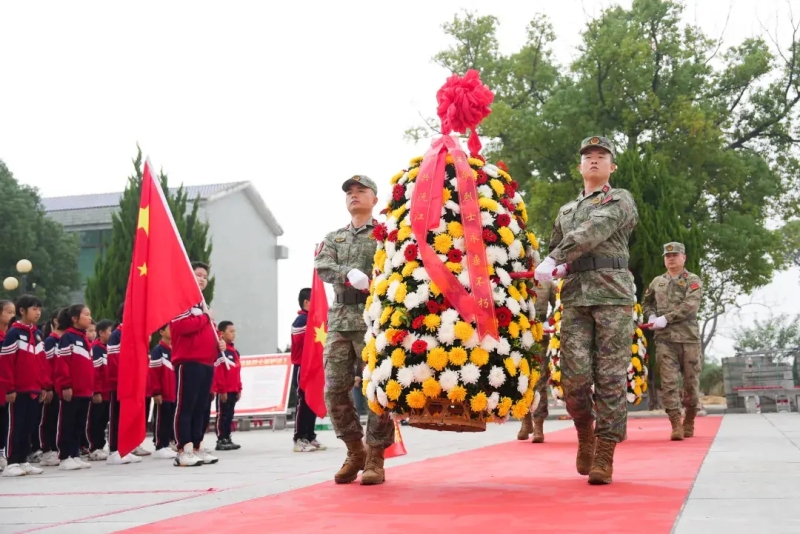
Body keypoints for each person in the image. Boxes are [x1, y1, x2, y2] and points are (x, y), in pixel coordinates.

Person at [535, 136, 639, 485]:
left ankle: (605, 451)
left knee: (610, 377)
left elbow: (595, 229)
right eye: (588, 156)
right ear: (579, 167)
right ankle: (584, 430)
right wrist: (557, 267)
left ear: (612, 166)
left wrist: (556, 258)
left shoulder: (619, 198)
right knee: (574, 377)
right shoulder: (566, 211)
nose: (594, 160)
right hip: (576, 298)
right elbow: (556, 248)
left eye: (601, 156)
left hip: (612, 296)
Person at [314, 174, 394, 485]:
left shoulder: (386, 235)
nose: (354, 195)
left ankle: (375, 455)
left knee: (377, 388)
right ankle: (354, 449)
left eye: (361, 190)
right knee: (334, 389)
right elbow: (322, 266)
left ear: (375, 199)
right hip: (340, 320)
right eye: (349, 191)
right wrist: (349, 273)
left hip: (374, 319)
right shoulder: (335, 237)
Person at [642, 242, 703, 440]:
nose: (671, 259)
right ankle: (676, 424)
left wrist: (666, 318)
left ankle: (689, 419)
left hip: (688, 340)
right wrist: (651, 316)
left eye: (675, 255)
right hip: (665, 340)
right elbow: (646, 302)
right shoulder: (657, 282)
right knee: (668, 384)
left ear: (683, 257)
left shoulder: (692, 280)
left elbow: (691, 306)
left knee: (691, 385)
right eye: (667, 256)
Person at [171, 260, 224, 467]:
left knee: (202, 407)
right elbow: (181, 327)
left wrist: (219, 343)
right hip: (189, 361)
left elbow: (209, 331)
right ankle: (183, 449)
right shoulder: (182, 300)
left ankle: (196, 447)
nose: (202, 279)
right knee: (187, 406)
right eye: (198, 275)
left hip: (206, 363)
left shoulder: (201, 304)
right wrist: (205, 317)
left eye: (205, 276)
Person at [0, 294, 46, 477]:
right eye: (34, 309)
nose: (38, 312)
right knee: (15, 427)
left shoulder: (38, 334)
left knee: (29, 426)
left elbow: (42, 362)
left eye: (39, 309)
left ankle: (23, 460)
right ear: (22, 311)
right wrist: (9, 388)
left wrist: (43, 386)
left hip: (34, 388)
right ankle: (11, 462)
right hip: (18, 390)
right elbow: (6, 363)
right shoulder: (14, 333)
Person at [518, 251, 556, 443]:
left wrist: (550, 321)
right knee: (521, 379)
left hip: (540, 335)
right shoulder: (518, 280)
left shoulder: (547, 282)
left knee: (539, 380)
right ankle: (525, 421)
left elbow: (558, 307)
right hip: (519, 335)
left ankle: (538, 423)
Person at [55, 304, 95, 471]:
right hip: (72, 390)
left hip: (85, 390)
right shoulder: (68, 337)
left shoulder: (84, 338)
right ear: (74, 318)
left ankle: (75, 454)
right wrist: (66, 385)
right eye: (86, 315)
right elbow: (62, 364)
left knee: (79, 424)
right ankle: (65, 456)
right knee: (68, 423)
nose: (90, 318)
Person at [105, 304, 142, 466]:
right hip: (120, 383)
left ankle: (125, 448)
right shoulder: (117, 334)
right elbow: (114, 361)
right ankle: (114, 450)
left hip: (132, 382)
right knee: (117, 417)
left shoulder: (133, 334)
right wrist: (121, 380)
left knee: (128, 416)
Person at [290, 288, 324, 452]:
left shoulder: (314, 320)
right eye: (315, 301)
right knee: (303, 403)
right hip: (302, 368)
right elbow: (302, 342)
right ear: (306, 302)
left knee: (312, 402)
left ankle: (310, 436)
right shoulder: (301, 320)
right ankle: (299, 438)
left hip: (314, 368)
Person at [148, 324, 178, 459]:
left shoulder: (175, 350)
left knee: (169, 419)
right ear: (161, 332)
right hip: (163, 393)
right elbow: (154, 373)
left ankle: (166, 444)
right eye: (170, 329)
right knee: (161, 419)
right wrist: (156, 392)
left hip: (173, 392)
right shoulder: (158, 350)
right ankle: (159, 446)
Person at [213, 321, 243, 451]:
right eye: (231, 331)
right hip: (224, 391)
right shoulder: (221, 352)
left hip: (233, 390)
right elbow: (219, 373)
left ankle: (227, 437)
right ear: (222, 334)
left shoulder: (235, 352)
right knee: (223, 415)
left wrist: (239, 388)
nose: (233, 334)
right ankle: (221, 439)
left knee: (230, 415)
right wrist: (222, 390)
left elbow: (237, 372)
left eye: (234, 331)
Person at [87, 319, 113, 461]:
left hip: (109, 392)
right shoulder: (96, 348)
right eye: (110, 331)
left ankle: (102, 446)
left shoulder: (110, 348)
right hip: (100, 393)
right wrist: (96, 391)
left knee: (104, 421)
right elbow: (95, 372)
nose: (112, 334)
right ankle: (94, 447)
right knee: (96, 421)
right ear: (101, 333)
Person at [0, 299, 15, 472]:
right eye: (8, 312)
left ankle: (2, 453)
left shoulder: (10, 337)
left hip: (7, 387)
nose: (12, 316)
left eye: (13, 313)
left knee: (4, 421)